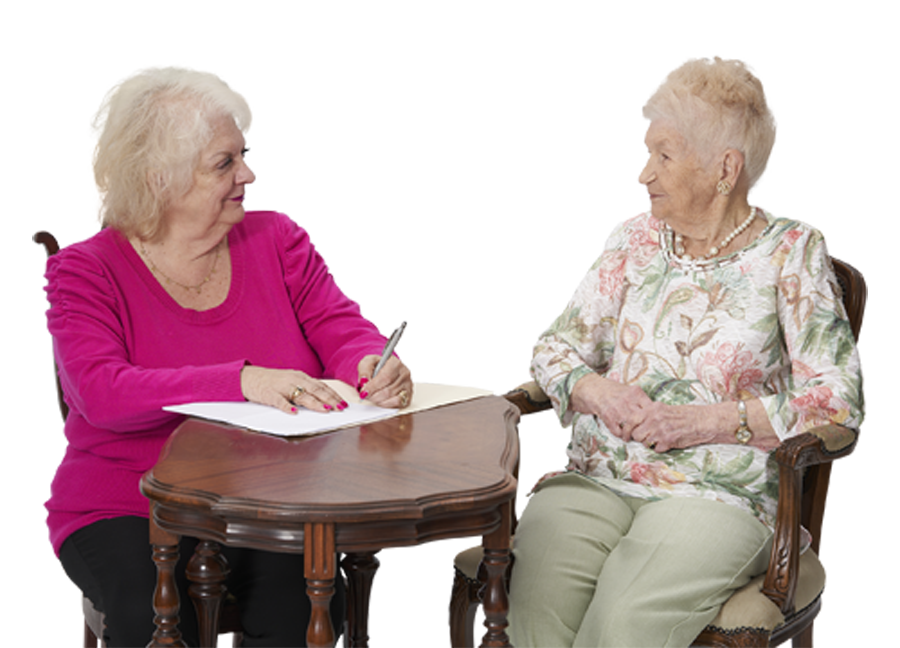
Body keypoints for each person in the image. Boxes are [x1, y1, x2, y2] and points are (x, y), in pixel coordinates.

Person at [44, 67, 413, 647]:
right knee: (155, 620)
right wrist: (242, 381)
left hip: (271, 497)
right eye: (224, 163)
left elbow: (340, 332)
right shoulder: (87, 271)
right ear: (159, 178)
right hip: (131, 500)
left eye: (244, 155)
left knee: (304, 609)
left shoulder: (277, 241)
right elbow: (102, 392)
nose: (248, 175)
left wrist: (368, 364)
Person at [507, 56, 863, 648]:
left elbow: (837, 402)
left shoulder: (789, 255)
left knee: (621, 629)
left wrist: (702, 422)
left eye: (664, 156)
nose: (645, 174)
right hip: (601, 476)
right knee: (534, 613)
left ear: (726, 168)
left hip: (719, 492)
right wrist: (597, 390)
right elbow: (556, 347)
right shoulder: (636, 241)